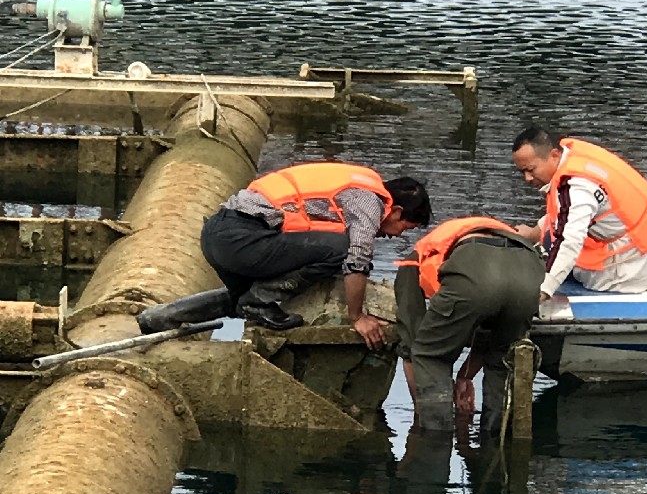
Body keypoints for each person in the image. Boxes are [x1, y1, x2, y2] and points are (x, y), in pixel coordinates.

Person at [137, 162, 431, 348]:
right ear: (396, 211)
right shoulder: (370, 201)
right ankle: (260, 301)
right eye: (405, 228)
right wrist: (357, 317)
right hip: (242, 238)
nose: (397, 235)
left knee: (242, 299)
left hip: (218, 233)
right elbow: (358, 258)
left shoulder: (358, 185)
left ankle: (160, 317)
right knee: (342, 249)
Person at [394, 216, 545, 432]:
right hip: (529, 270)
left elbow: (411, 340)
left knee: (430, 357)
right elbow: (487, 325)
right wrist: (465, 375)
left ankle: (434, 437)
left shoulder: (416, 256)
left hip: (475, 269)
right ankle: (494, 438)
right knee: (501, 359)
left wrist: (421, 407)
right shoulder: (491, 230)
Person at [511, 126, 647, 303]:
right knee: (549, 237)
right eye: (522, 172)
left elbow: (569, 241)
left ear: (554, 155)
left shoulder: (576, 187)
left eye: (531, 170)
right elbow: (565, 213)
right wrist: (533, 233)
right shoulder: (574, 155)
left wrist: (543, 291)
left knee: (552, 248)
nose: (527, 178)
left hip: (634, 269)